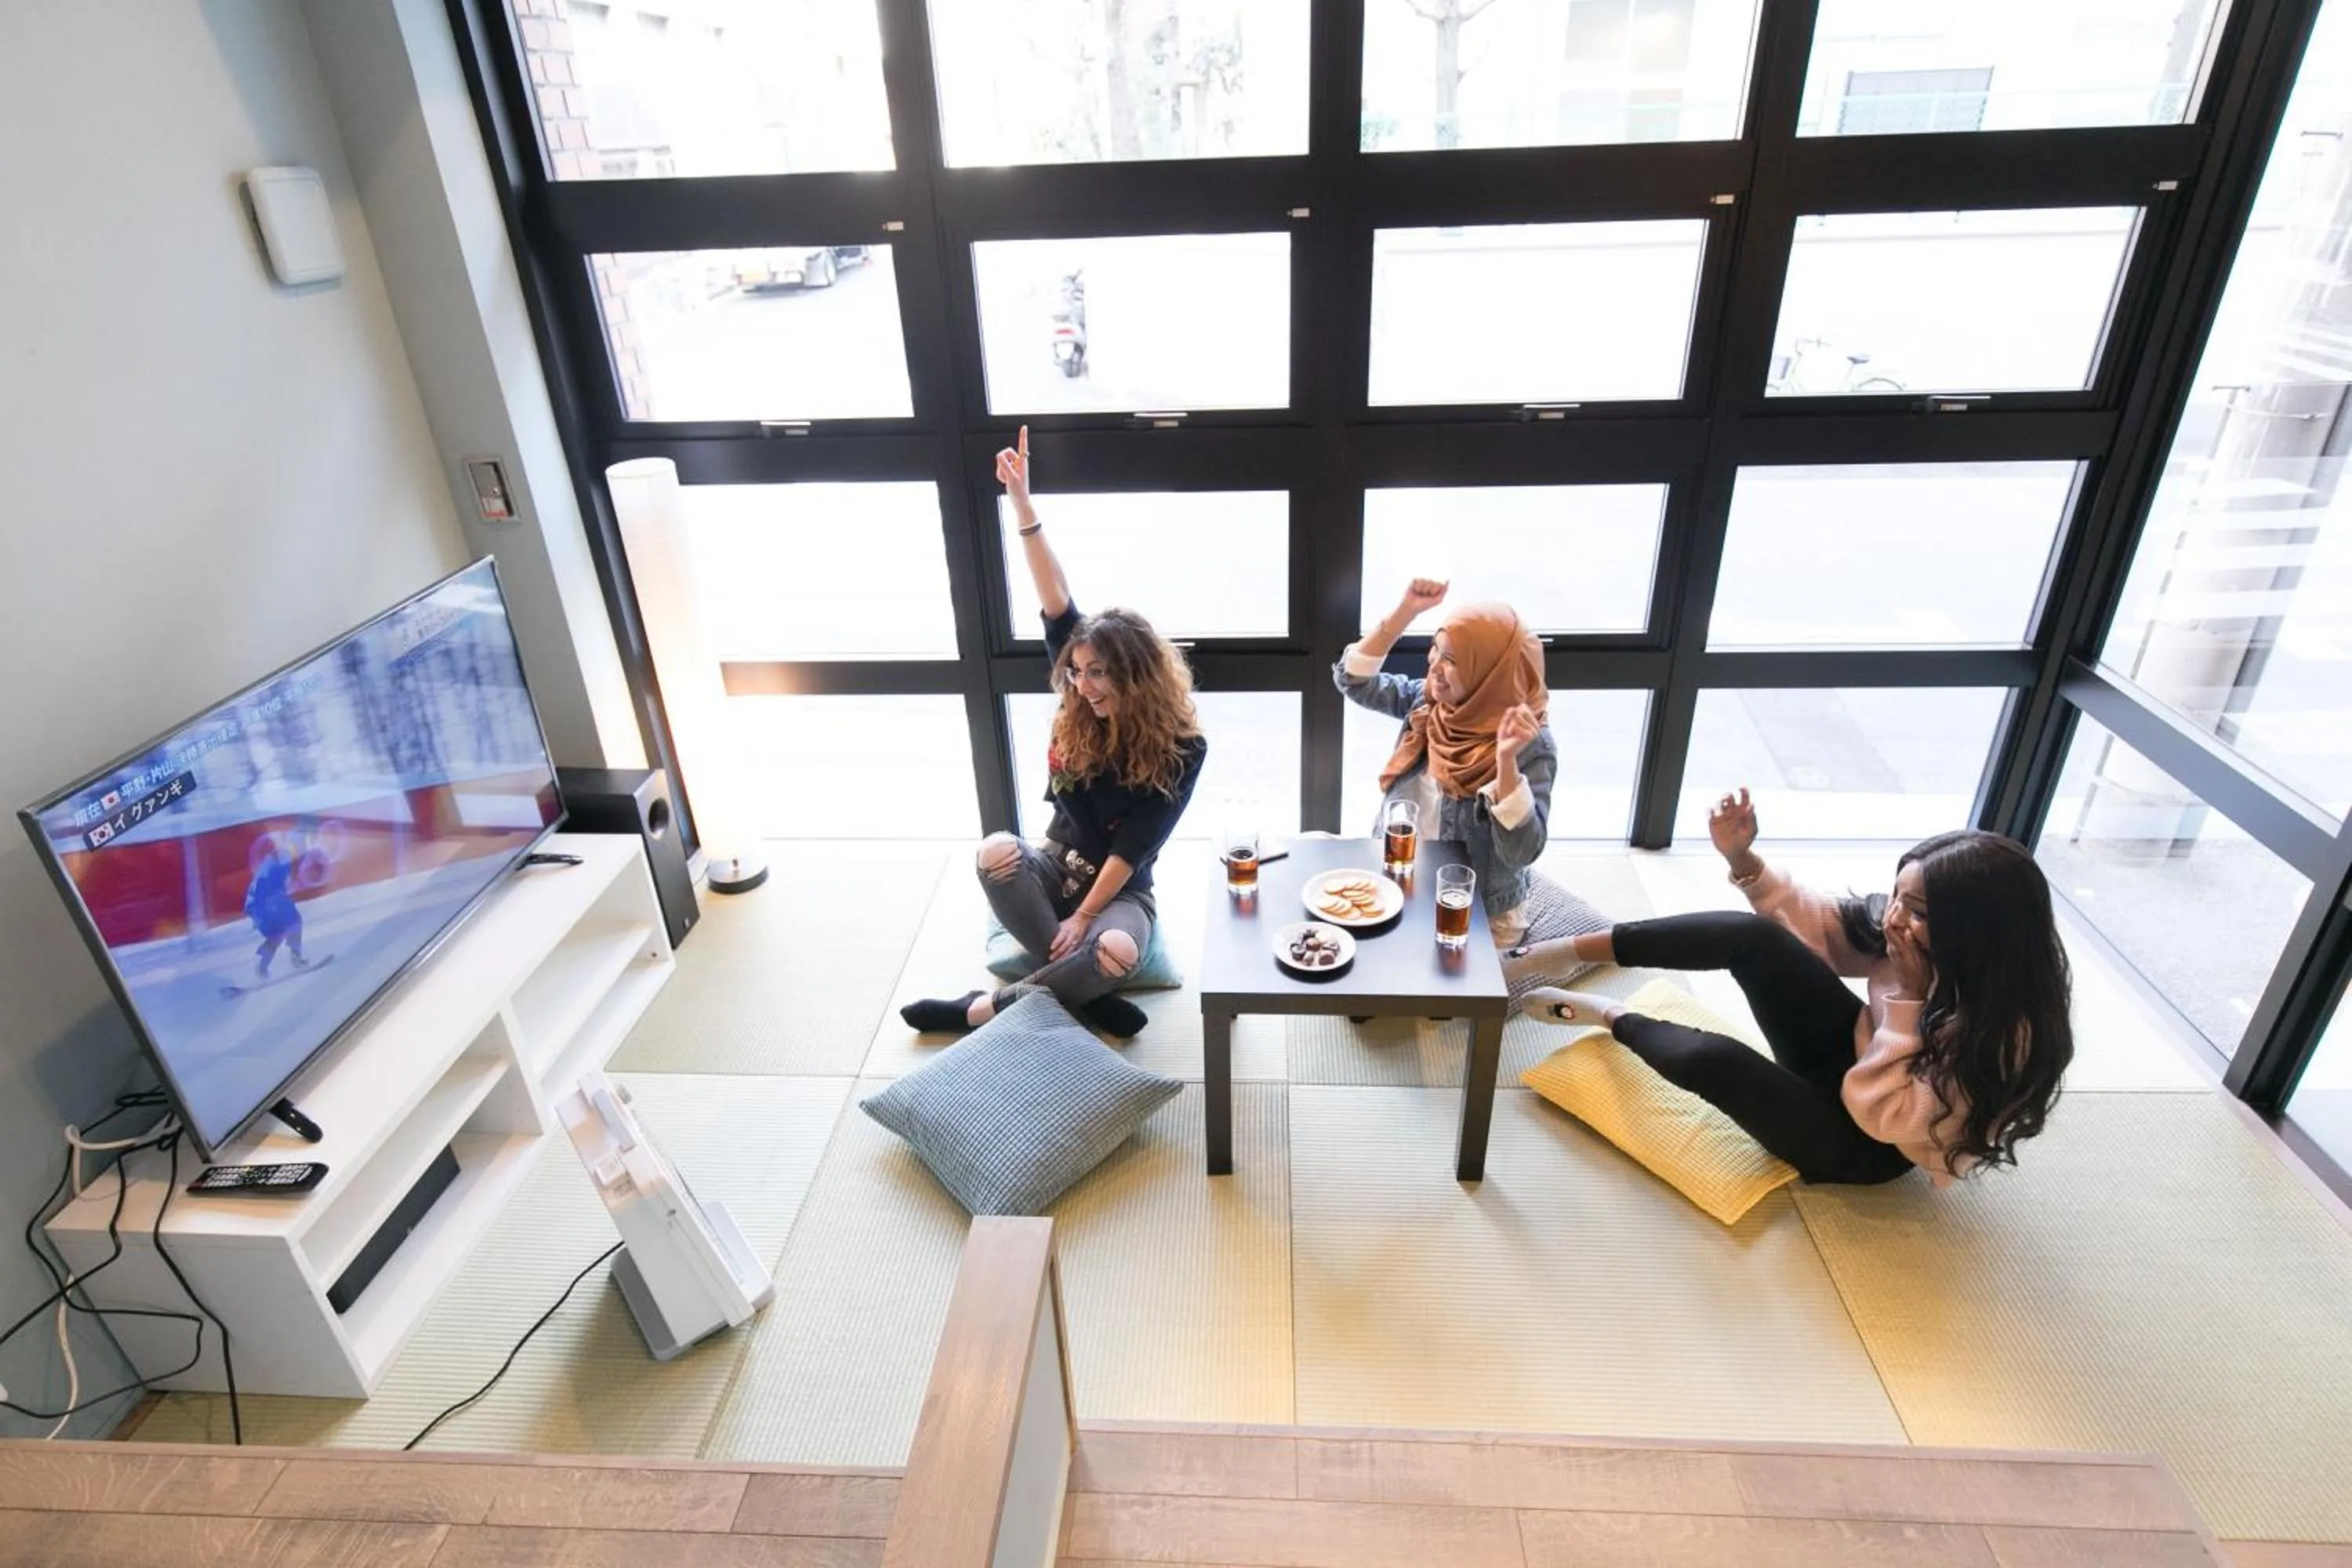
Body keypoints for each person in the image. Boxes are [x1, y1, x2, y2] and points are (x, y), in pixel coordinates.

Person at [1516, 787, 2074, 1185]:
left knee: (1714, 1059)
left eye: (1920, 910)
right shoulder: (1906, 934)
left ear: (1975, 932)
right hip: (1850, 1058)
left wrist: (1907, 996)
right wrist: (1744, 859)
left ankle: (1607, 1016)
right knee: (1750, 935)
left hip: (1868, 1141)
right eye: (1898, 896)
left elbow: (1885, 1117)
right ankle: (1542, 955)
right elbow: (1823, 930)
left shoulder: (2002, 1034)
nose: (1897, 917)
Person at [902, 427, 1207, 1039]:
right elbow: (1054, 594)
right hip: (1053, 867)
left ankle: (978, 1010)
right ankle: (1083, 997)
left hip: (1120, 892)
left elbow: (1133, 849)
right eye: (1079, 670)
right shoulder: (1078, 688)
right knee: (994, 851)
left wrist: (1088, 915)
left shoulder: (1183, 747)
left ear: (1136, 676)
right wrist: (1021, 502)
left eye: (1100, 674)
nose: (1085, 684)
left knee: (1117, 949)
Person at [1337, 578, 1613, 993]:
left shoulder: (1530, 742)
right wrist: (1405, 612)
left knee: (1440, 1002)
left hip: (1474, 903)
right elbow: (1353, 681)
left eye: (1452, 660)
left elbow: (1523, 849)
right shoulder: (1432, 704)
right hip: (1401, 871)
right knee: (1355, 981)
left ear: (1491, 672)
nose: (1433, 667)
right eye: (1435, 651)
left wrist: (1504, 761)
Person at [243, 829, 309, 980]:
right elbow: (269, 882)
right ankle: (295, 958)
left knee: (278, 933)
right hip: (264, 902)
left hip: (256, 904)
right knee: (293, 922)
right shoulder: (283, 858)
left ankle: (262, 967)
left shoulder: (278, 858)